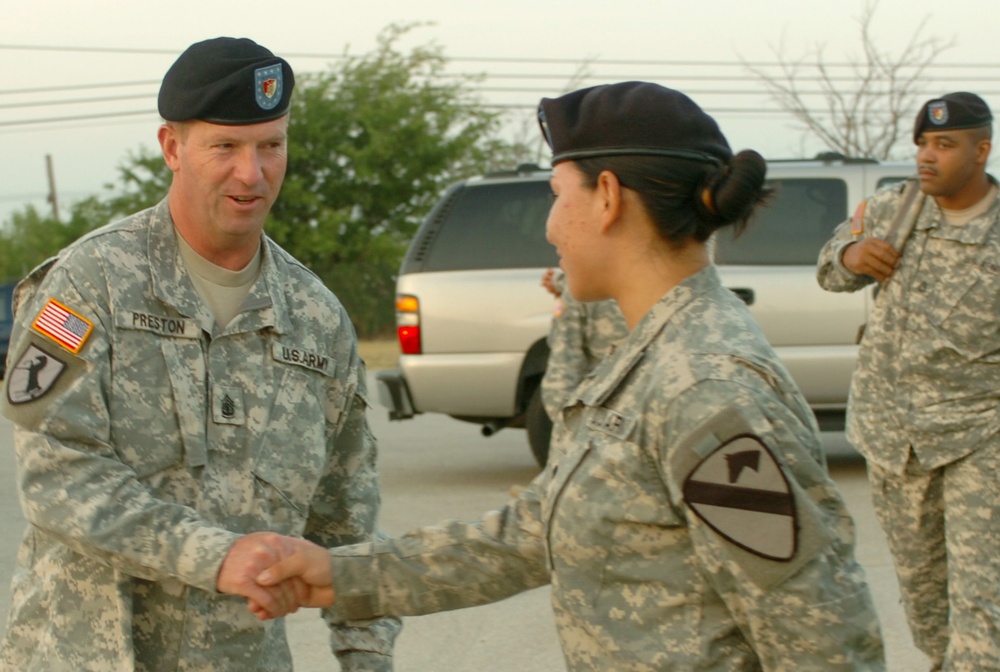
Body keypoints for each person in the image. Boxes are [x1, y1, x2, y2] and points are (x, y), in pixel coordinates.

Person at [244, 81, 886, 671]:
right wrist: (340, 573)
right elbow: (536, 531)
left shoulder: (705, 387)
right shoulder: (652, 356)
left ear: (607, 197)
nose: (550, 227)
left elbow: (821, 638)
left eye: (557, 197)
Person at [0, 37, 399, 671]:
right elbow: (56, 473)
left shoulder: (317, 320)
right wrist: (214, 555)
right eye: (226, 146)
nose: (253, 172)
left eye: (272, 145)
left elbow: (348, 517)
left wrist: (367, 658)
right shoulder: (90, 283)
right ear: (172, 147)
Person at [817, 91, 1000, 672]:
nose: (928, 155)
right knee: (927, 611)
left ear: (982, 150)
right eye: (922, 142)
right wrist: (851, 255)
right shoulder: (893, 209)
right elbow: (827, 268)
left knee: (982, 612)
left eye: (945, 145)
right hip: (893, 439)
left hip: (979, 439)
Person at [539, 267, 627, 422]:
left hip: (606, 421)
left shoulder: (584, 290)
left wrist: (567, 428)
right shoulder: (675, 282)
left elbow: (561, 373)